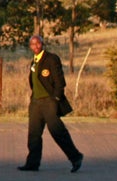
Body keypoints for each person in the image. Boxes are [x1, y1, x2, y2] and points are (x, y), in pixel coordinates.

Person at [19, 34, 84, 173]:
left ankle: (76, 157)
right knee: (34, 134)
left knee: (57, 131)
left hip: (49, 101)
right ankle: (32, 163)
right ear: (30, 46)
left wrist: (55, 98)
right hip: (36, 102)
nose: (35, 46)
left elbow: (60, 81)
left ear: (42, 44)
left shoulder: (51, 59)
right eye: (32, 44)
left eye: (38, 43)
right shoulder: (34, 62)